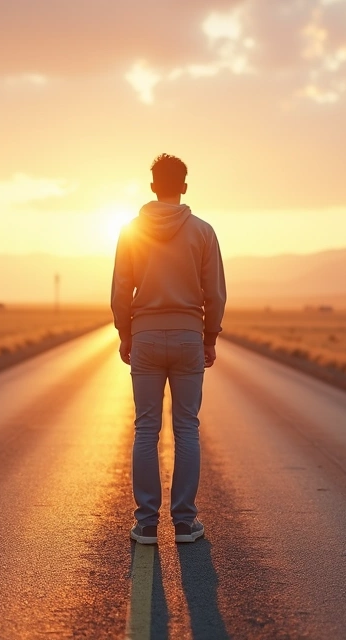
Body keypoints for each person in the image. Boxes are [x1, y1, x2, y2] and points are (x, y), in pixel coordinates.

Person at [111, 153, 227, 545]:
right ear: (184, 186)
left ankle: (145, 523)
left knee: (146, 428)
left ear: (152, 186)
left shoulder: (130, 232)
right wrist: (209, 338)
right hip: (188, 338)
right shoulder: (203, 232)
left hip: (144, 336)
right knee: (186, 428)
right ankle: (183, 522)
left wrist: (126, 334)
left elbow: (119, 292)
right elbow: (215, 294)